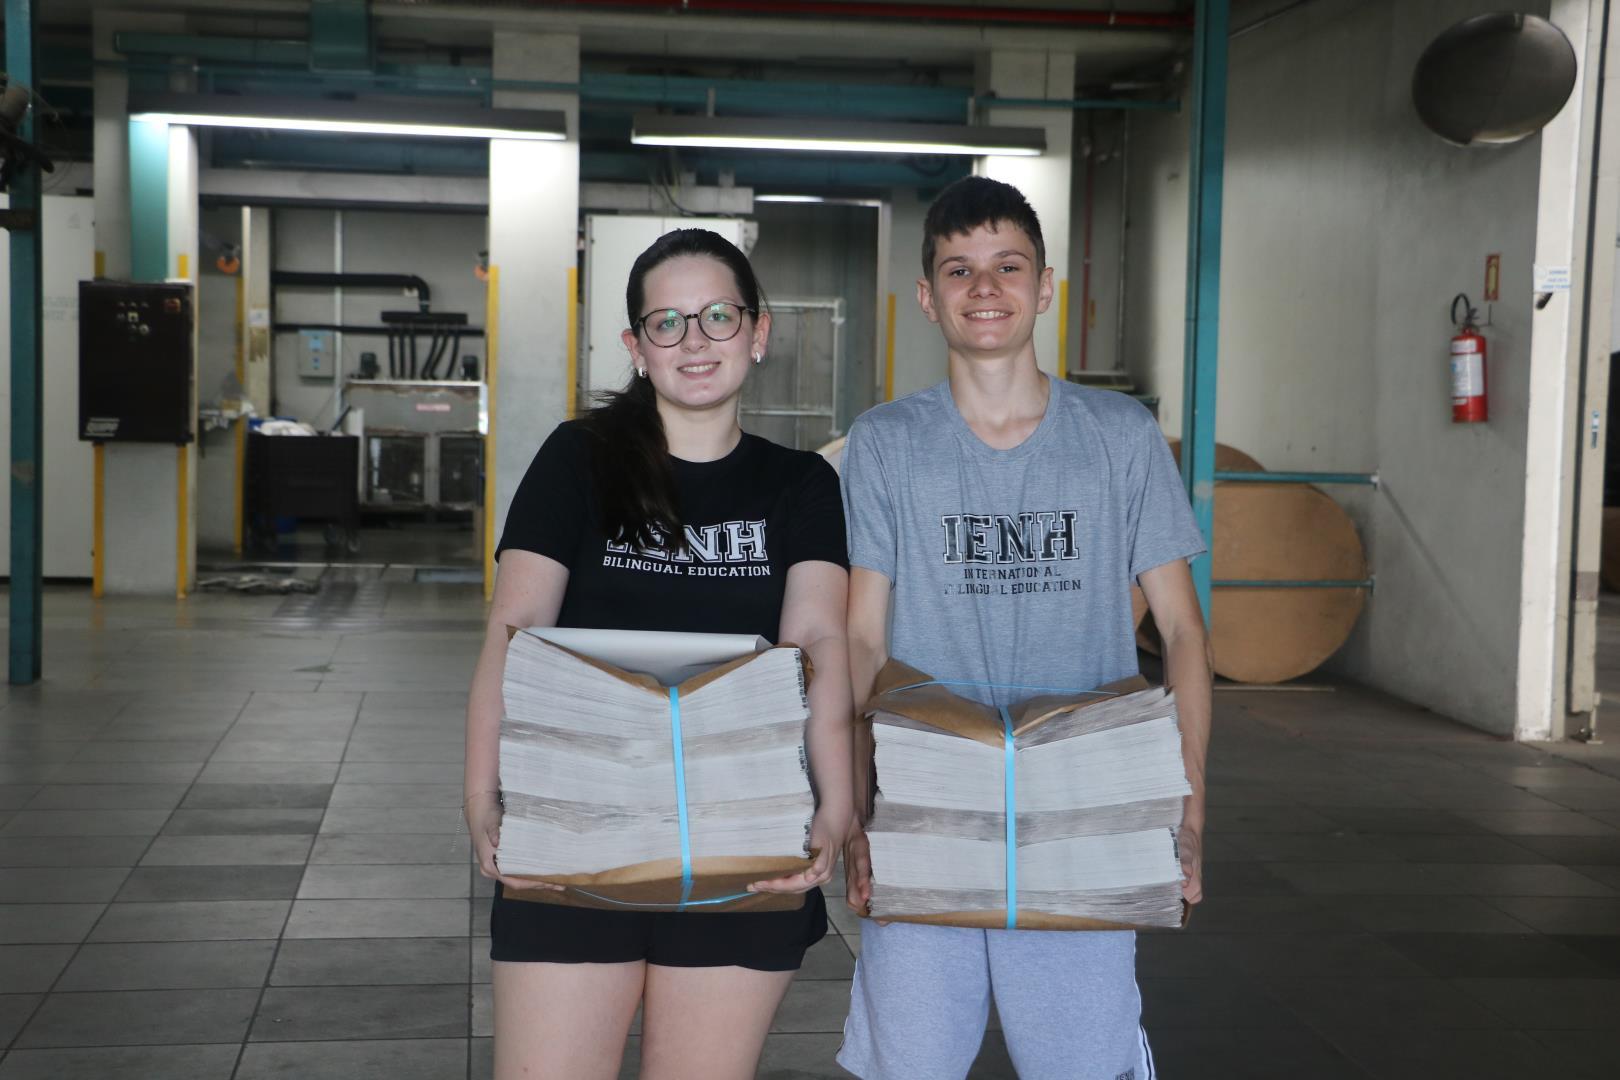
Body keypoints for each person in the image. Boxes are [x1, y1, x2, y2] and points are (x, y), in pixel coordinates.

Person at [836, 176, 1212, 1080]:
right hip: (926, 806)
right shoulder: (885, 442)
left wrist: (1188, 809)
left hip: (1082, 810)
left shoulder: (1120, 435)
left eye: (1008, 266)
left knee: (1080, 1065)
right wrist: (856, 810)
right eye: (958, 269)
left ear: (1045, 288)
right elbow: (861, 641)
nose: (985, 287)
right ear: (927, 296)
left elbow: (1184, 635)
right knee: (912, 1065)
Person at [464, 228, 854, 1080]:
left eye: (718, 316)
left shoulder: (801, 486)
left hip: (742, 836)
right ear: (637, 348)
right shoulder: (578, 460)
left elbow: (818, 644)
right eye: (667, 323)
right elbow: (513, 629)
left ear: (758, 331)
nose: (695, 340)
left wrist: (836, 805)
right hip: (577, 825)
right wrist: (481, 791)